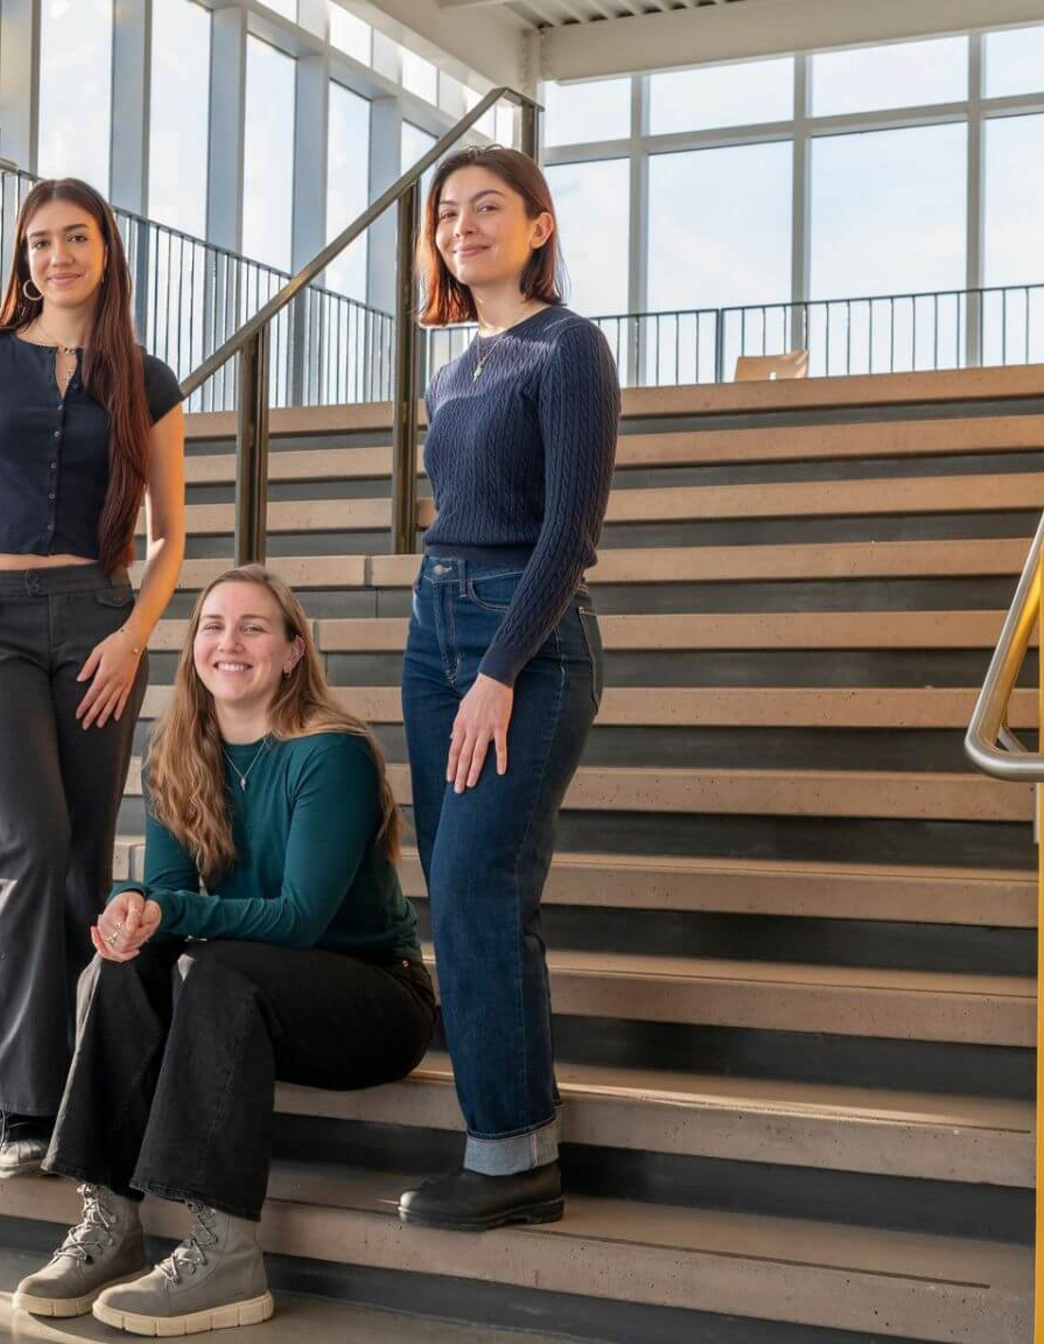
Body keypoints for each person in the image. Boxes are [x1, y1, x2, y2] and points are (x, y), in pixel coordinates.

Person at [16, 566, 438, 1336]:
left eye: (253, 627)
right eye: (212, 625)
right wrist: (131, 912)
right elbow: (170, 901)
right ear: (193, 650)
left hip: (374, 998)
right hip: (248, 996)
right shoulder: (176, 748)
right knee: (130, 961)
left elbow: (301, 919)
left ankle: (227, 1253)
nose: (228, 642)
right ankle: (110, 1220)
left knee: (216, 967)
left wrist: (165, 904)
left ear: (291, 653)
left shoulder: (330, 754)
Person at [0, 178, 189, 1179]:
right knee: (28, 846)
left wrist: (131, 636)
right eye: (37, 242)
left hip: (96, 624)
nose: (54, 256)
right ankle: (23, 1102)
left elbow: (168, 537)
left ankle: (78, 1082)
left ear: (104, 251)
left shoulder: (145, 379)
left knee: (82, 861)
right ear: (21, 259)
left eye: (73, 238)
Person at [396, 145, 618, 1232]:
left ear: (537, 228)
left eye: (489, 207)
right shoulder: (452, 363)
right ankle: (512, 1131)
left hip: (518, 640)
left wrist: (495, 672)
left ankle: (510, 1159)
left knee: (480, 886)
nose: (462, 224)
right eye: (447, 211)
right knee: (458, 887)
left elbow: (567, 536)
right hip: (434, 623)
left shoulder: (566, 348)